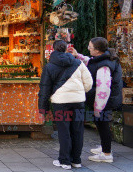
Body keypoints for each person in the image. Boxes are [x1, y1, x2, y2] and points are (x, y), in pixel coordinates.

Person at [38, 40, 93, 170]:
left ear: (53, 50)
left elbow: (45, 89)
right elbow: (89, 82)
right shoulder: (78, 63)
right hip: (78, 102)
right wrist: (80, 92)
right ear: (67, 49)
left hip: (60, 102)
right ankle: (76, 160)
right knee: (78, 130)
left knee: (64, 131)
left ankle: (65, 161)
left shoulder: (49, 66)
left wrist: (43, 108)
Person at [69, 37, 123, 163]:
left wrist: (98, 107)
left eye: (90, 47)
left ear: (98, 50)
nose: (88, 48)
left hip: (104, 101)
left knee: (102, 124)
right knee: (101, 124)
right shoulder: (105, 58)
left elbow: (103, 89)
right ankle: (105, 147)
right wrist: (79, 56)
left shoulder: (104, 66)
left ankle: (106, 154)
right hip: (105, 100)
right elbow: (91, 62)